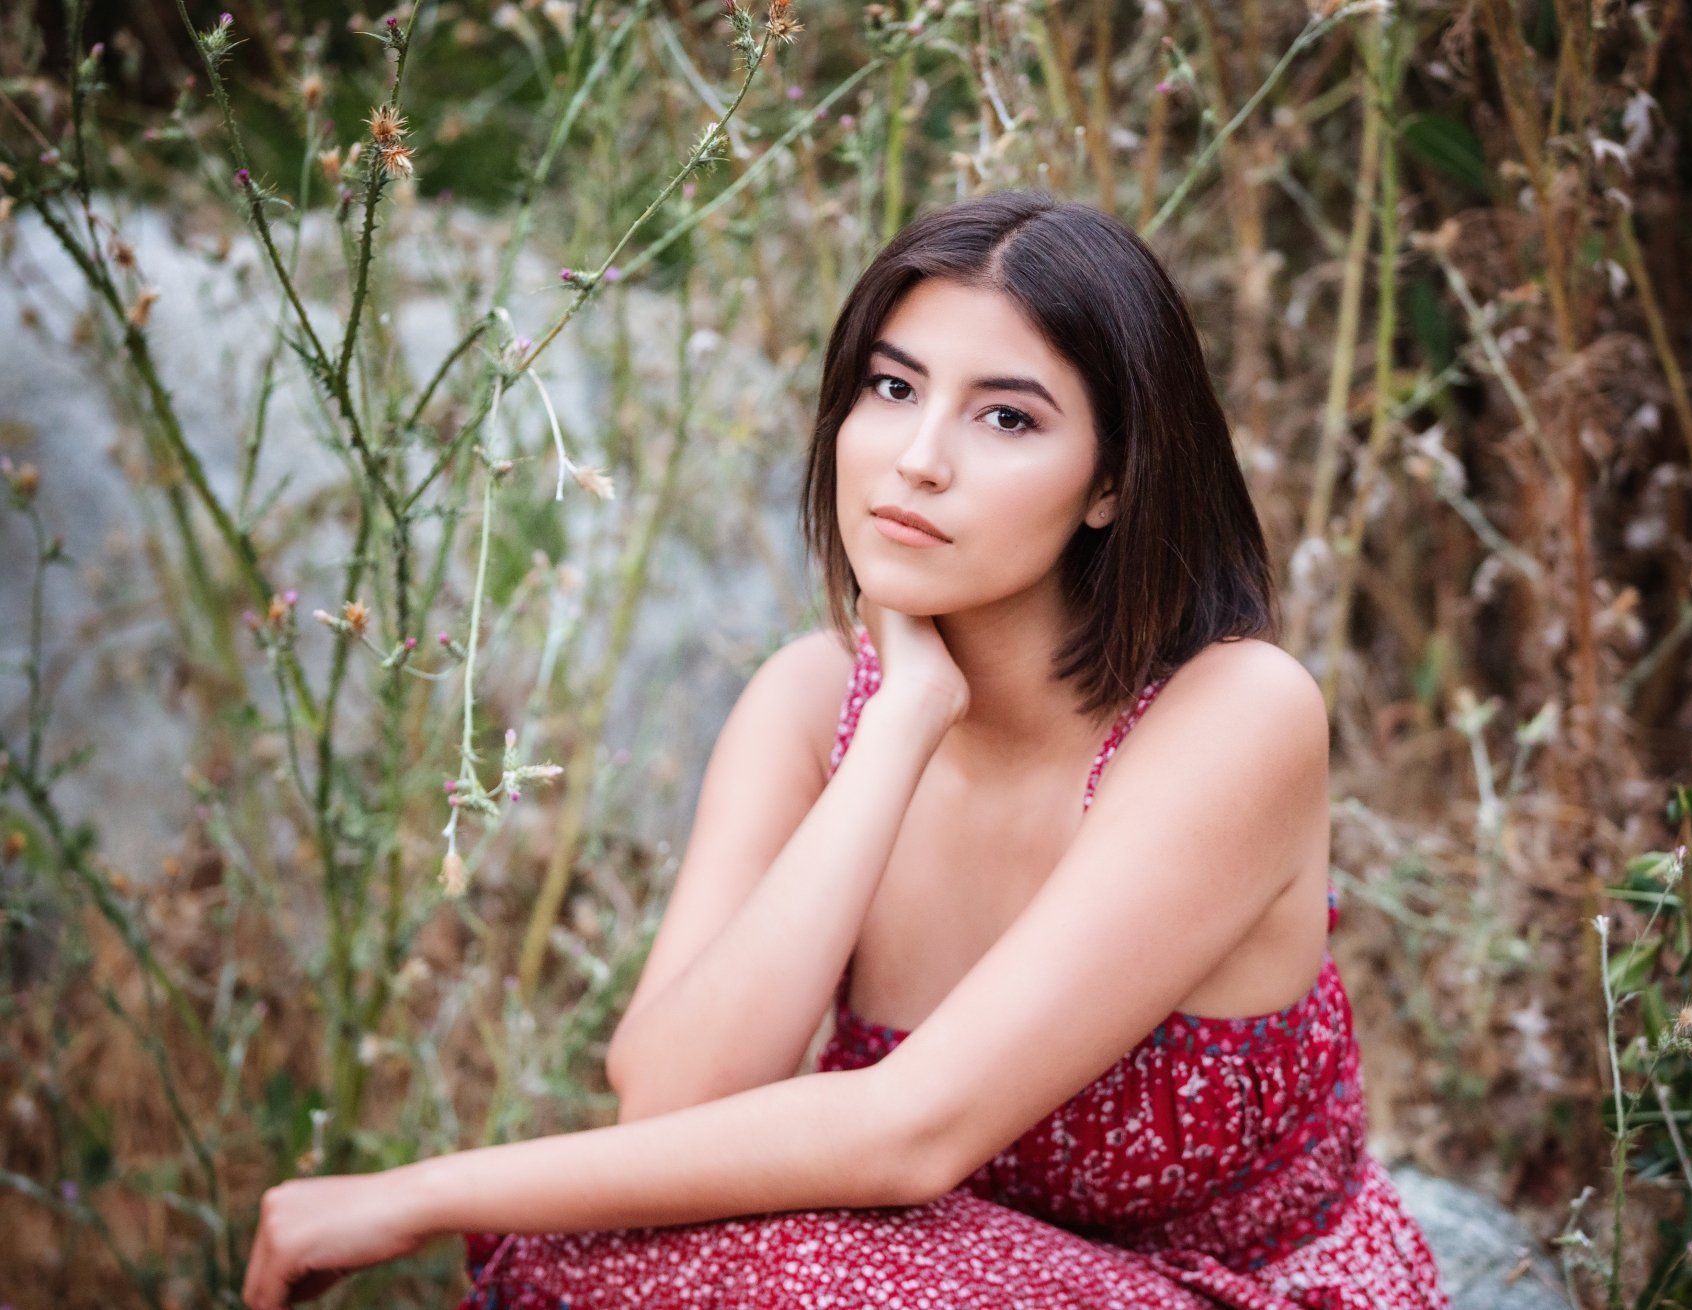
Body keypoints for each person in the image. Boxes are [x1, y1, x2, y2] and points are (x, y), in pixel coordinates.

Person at [239, 188, 1449, 1310]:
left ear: (1113, 482)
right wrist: (896, 730)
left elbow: (910, 1133)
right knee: (598, 1238)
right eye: (891, 387)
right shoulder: (815, 699)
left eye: (1008, 416)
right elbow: (667, 1098)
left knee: (758, 1250)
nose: (920, 456)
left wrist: (417, 1191)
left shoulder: (1235, 714)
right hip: (933, 1274)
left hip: (1233, 1291)